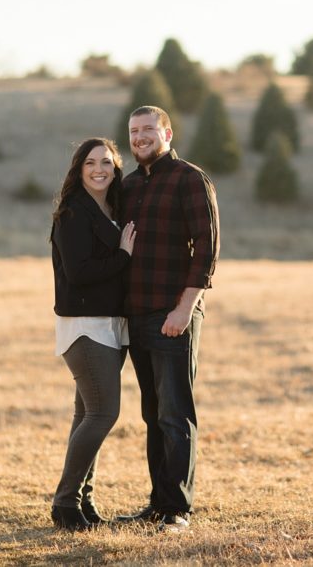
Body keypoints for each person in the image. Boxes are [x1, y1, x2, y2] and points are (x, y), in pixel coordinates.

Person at [115, 106, 219, 532]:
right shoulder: (129, 186)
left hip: (173, 314)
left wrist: (185, 307)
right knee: (152, 413)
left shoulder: (190, 179)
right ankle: (157, 504)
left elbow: (207, 249)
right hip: (136, 316)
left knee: (176, 413)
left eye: (148, 130)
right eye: (134, 131)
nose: (140, 137)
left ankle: (177, 509)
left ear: (168, 133)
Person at [49, 137, 136, 532]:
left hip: (112, 325)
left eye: (106, 162)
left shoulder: (112, 208)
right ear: (79, 169)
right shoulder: (73, 212)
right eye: (90, 163)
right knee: (104, 413)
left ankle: (82, 501)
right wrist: (123, 256)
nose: (99, 169)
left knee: (86, 413)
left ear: (116, 167)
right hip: (85, 326)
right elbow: (80, 272)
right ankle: (65, 502)